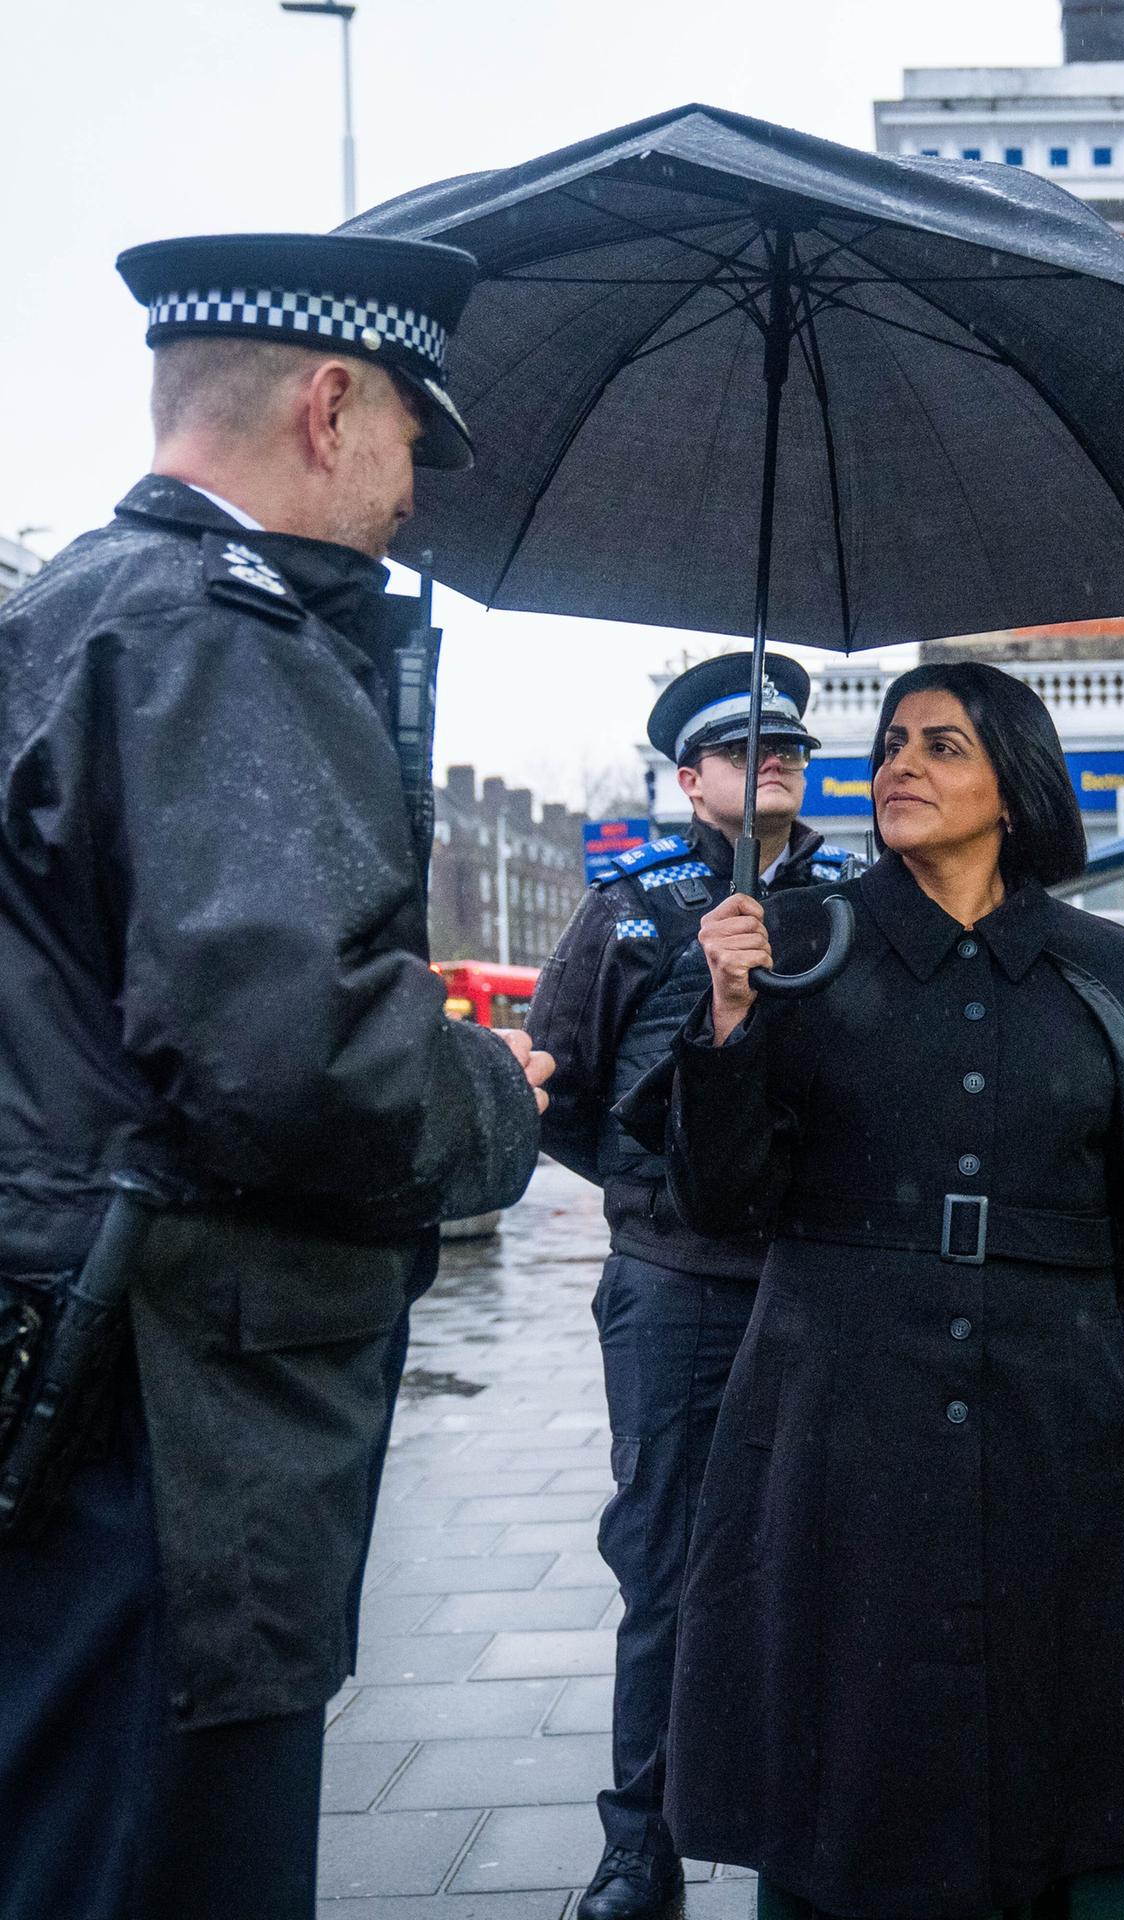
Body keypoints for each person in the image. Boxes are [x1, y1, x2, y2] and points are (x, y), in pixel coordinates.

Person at [0, 233, 550, 1920]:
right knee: (165, 1862)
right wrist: (491, 1090)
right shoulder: (221, 639)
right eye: (406, 444)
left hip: (74, 1365)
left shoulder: (64, 616)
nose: (409, 499)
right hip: (175, 1412)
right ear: (329, 407)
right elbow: (294, 1056)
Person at [653, 660, 1124, 1920]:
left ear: (1012, 788)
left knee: (1063, 1741)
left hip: (1060, 1411)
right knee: (853, 1741)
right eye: (893, 741)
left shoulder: (1106, 963)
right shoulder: (796, 940)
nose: (898, 763)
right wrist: (729, 1019)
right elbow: (720, 1199)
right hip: (840, 1412)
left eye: (942, 745)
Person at [529, 651, 862, 1920]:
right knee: (663, 1565)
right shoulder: (634, 912)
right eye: (747, 750)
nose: (778, 760)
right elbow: (559, 1092)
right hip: (673, 1288)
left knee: (825, 1559)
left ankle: (814, 1830)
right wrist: (658, 1183)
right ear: (691, 779)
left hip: (823, 1276)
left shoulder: (862, 898)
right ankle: (641, 1842)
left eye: (792, 747)